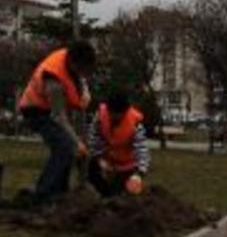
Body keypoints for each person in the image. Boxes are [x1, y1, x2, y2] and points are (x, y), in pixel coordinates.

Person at [17, 41, 95, 203]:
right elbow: (58, 116)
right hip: (35, 110)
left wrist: (85, 92)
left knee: (67, 148)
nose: (84, 73)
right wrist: (77, 142)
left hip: (50, 110)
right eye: (82, 70)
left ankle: (60, 192)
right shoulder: (53, 80)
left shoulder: (72, 58)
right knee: (65, 147)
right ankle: (42, 194)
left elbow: (79, 84)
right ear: (74, 63)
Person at [87, 91, 150, 197]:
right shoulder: (100, 117)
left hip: (127, 165)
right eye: (111, 113)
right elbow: (94, 139)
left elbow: (142, 151)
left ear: (125, 112)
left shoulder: (135, 124)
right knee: (93, 172)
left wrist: (139, 174)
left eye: (118, 114)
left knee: (123, 194)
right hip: (107, 161)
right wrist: (100, 158)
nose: (114, 117)